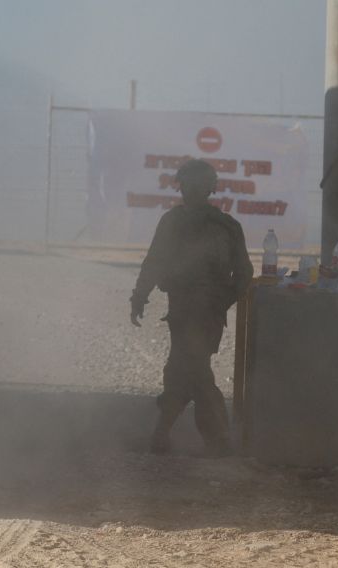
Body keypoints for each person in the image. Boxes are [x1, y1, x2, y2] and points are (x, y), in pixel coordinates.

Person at [129, 158, 253, 455]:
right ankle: (210, 439)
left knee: (188, 370)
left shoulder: (213, 225)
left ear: (207, 188)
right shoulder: (218, 225)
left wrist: (219, 302)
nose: (190, 190)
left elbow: (244, 274)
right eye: (188, 185)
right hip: (188, 312)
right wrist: (140, 295)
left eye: (194, 185)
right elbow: (155, 262)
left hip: (199, 314)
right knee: (188, 370)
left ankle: (201, 438)